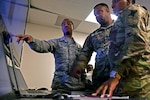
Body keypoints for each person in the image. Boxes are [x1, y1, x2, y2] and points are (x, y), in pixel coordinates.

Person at [92, 0, 150, 99]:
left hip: (138, 84)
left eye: (116, 1)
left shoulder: (132, 10)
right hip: (128, 82)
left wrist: (116, 75)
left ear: (128, 1)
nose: (112, 5)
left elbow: (137, 43)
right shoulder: (122, 19)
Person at [16, 18, 85, 92]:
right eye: (63, 24)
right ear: (62, 28)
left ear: (72, 27)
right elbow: (43, 46)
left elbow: (82, 67)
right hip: (59, 85)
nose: (66, 25)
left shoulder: (79, 47)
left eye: (68, 23)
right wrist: (32, 40)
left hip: (77, 87)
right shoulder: (56, 43)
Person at [72, 3, 114, 91]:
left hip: (119, 76)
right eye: (95, 14)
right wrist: (79, 66)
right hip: (100, 77)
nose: (98, 15)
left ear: (108, 11)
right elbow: (85, 53)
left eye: (100, 12)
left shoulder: (121, 28)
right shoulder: (93, 35)